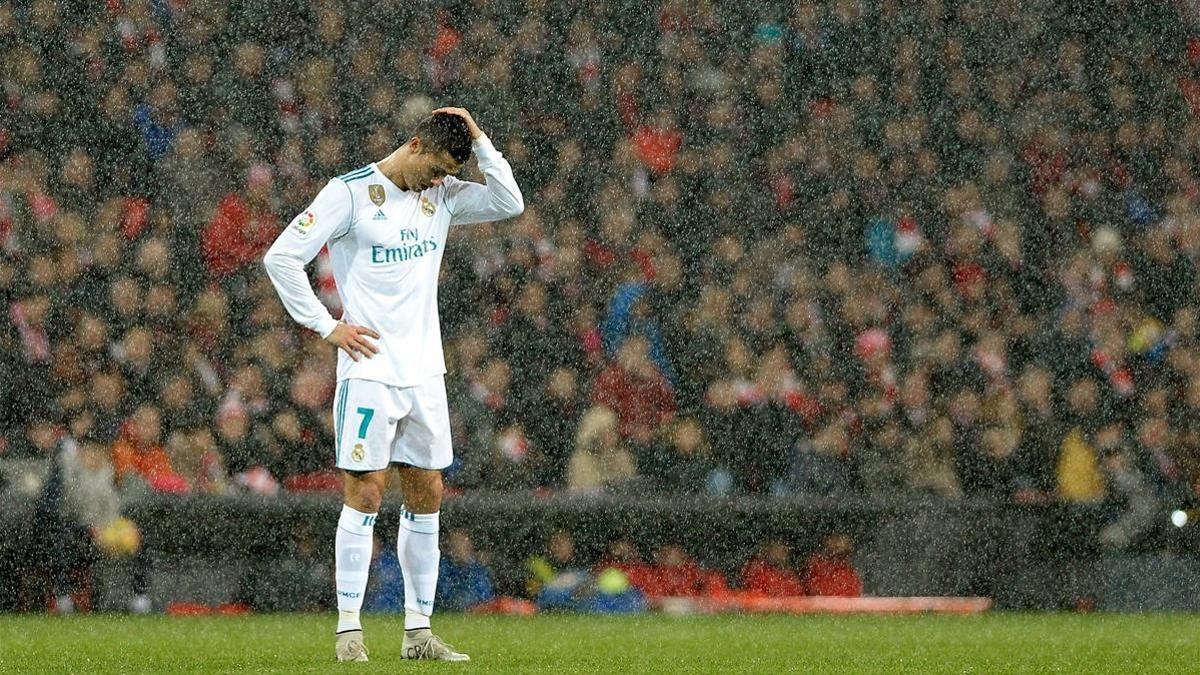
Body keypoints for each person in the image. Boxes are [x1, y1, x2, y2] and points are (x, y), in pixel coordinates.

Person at [263, 107, 523, 663]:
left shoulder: (445, 194)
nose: (438, 182)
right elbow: (281, 256)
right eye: (433, 170)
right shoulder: (349, 193)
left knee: (427, 494)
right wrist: (327, 326)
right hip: (370, 371)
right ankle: (349, 631)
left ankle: (418, 632)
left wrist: (479, 136)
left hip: (425, 371)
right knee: (365, 493)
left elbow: (509, 201)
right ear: (413, 144)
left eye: (446, 174)